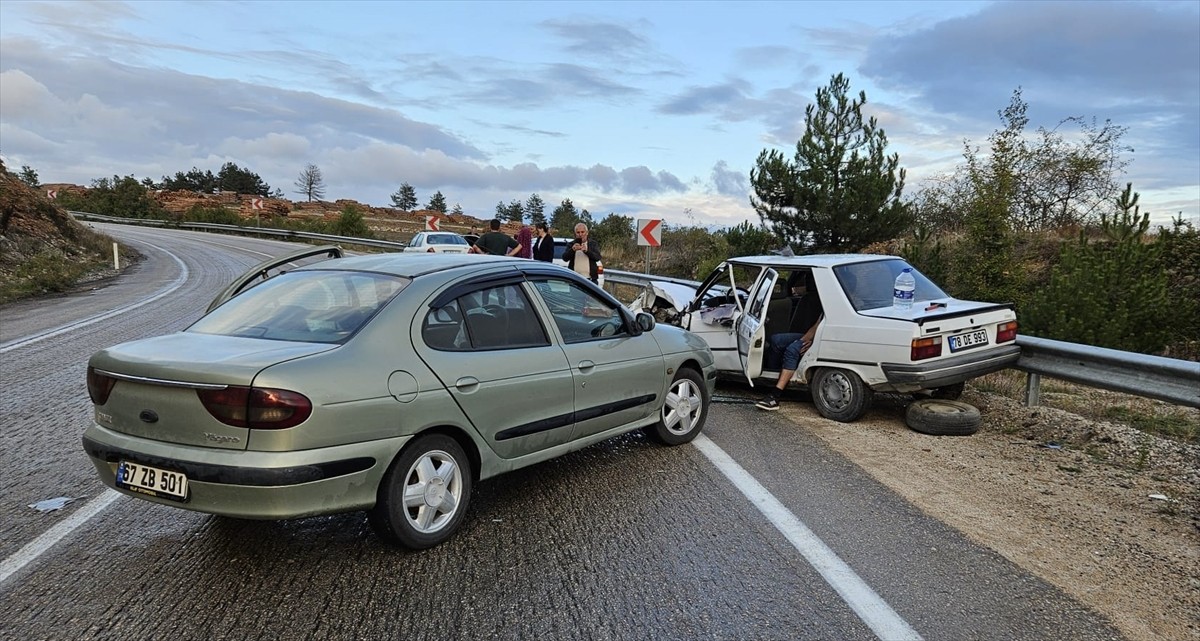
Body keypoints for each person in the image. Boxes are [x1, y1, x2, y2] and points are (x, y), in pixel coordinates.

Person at [756, 271, 823, 411]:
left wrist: (805, 341)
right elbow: (816, 325)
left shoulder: (834, 300)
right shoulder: (817, 298)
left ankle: (775, 396)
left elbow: (819, 327)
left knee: (792, 349)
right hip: (812, 334)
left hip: (821, 338)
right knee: (776, 340)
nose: (809, 283)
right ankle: (773, 374)